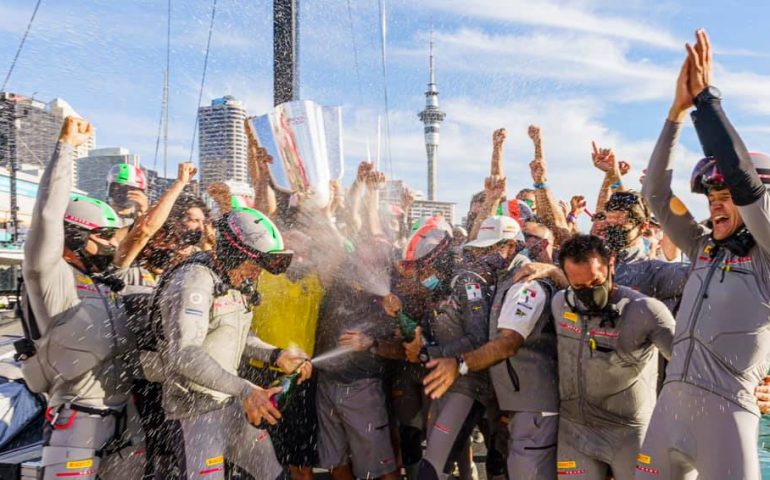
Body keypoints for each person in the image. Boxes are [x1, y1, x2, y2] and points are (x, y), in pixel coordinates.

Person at [637, 29, 770, 480]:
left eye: (725, 195)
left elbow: (745, 181)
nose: (715, 204)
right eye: (710, 196)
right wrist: (676, 113)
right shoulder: (702, 247)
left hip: (728, 416)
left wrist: (707, 103)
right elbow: (655, 196)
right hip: (668, 413)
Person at [19, 116, 143, 479]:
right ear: (73, 235)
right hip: (78, 422)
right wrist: (66, 149)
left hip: (126, 423)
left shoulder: (103, 284)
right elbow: (47, 214)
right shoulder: (51, 277)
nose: (111, 244)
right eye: (103, 235)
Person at [155, 208, 311, 479]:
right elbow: (185, 354)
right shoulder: (195, 280)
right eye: (253, 266)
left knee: (274, 475)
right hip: (195, 413)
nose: (256, 275)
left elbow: (236, 334)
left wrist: (275, 355)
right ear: (232, 253)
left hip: (230, 403)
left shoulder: (234, 279)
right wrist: (246, 389)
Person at [422, 215, 564, 480]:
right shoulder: (505, 279)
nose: (482, 255)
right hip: (517, 402)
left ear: (511, 246)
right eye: (480, 249)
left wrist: (459, 363)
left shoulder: (527, 281)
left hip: (534, 404)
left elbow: (508, 344)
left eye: (489, 248)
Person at [551, 235, 675, 480]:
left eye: (596, 282)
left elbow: (689, 363)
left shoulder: (645, 310)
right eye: (579, 287)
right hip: (574, 430)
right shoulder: (560, 304)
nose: (589, 293)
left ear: (611, 265)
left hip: (630, 433)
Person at [398, 216, 492, 480]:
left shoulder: (467, 283)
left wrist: (427, 353)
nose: (420, 277)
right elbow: (435, 339)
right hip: (444, 384)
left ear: (439, 260)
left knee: (432, 470)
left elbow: (479, 339)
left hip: (469, 384)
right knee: (437, 464)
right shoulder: (438, 291)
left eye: (423, 269)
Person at [602, 190, 689, 312]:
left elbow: (701, 274)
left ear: (643, 227)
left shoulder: (654, 271)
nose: (613, 231)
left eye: (620, 226)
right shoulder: (593, 257)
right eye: (609, 225)